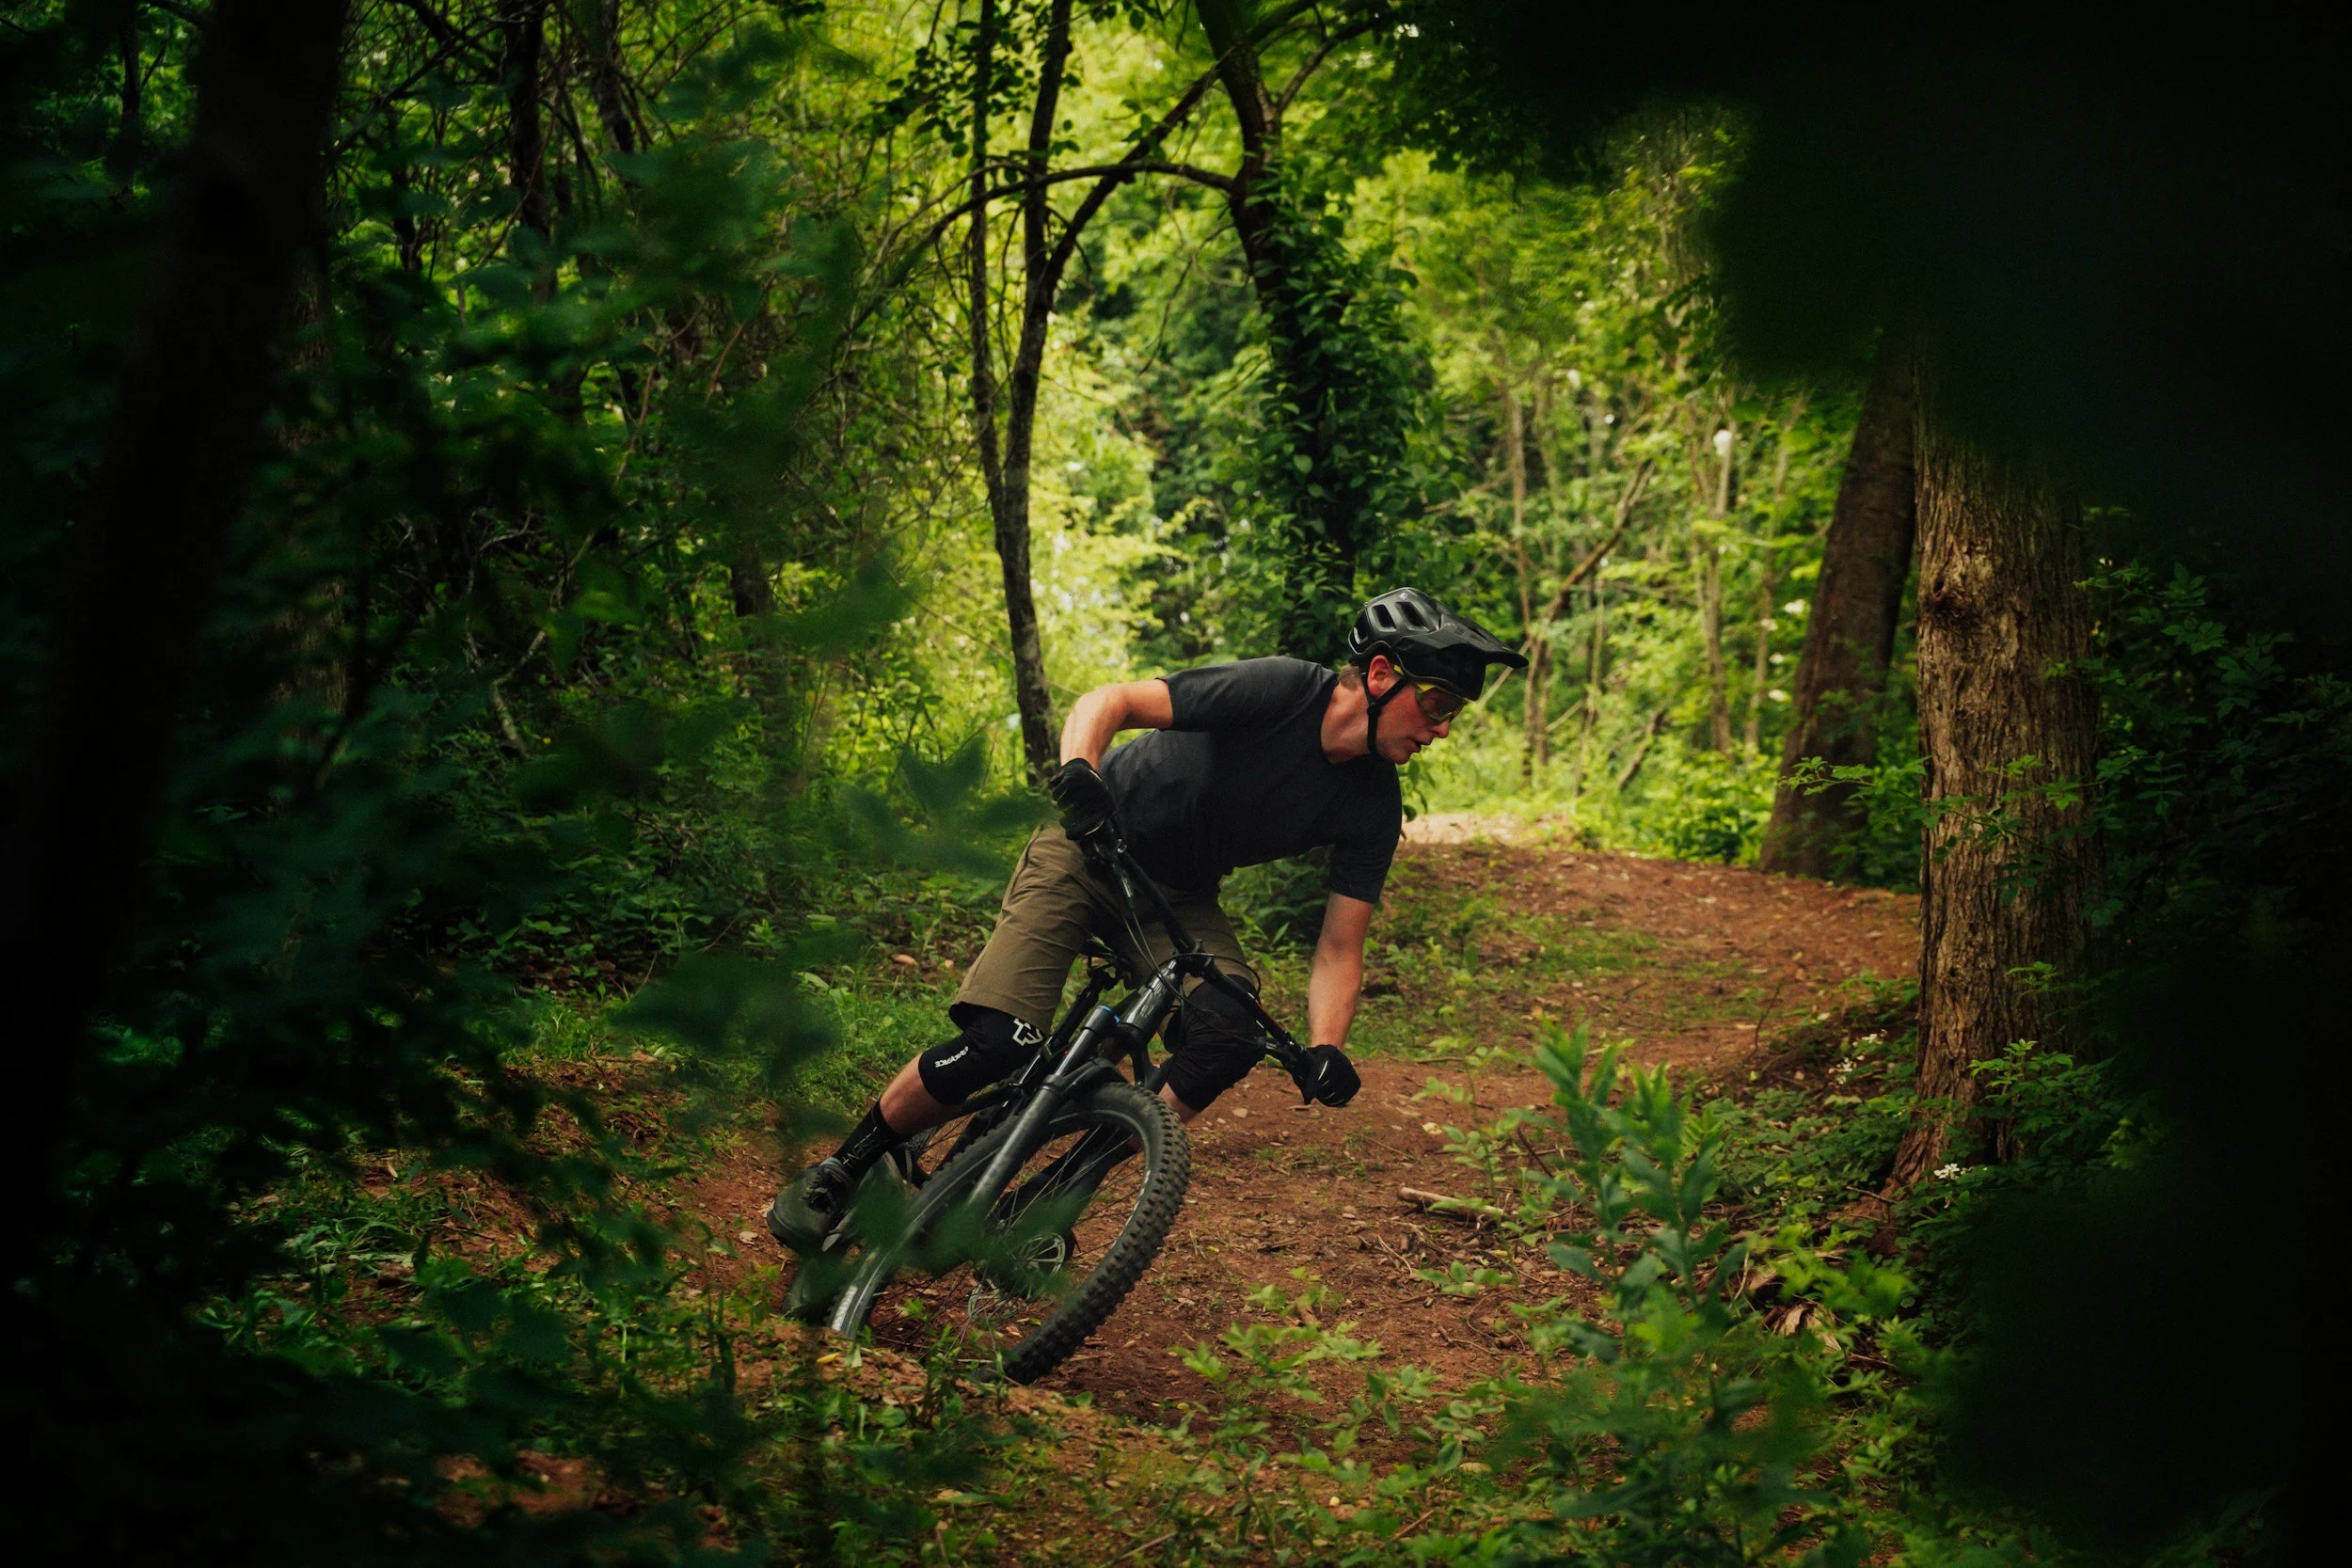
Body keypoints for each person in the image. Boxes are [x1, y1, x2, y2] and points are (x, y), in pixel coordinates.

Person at [768, 587, 1527, 1252]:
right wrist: (1080, 776)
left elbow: (1338, 945)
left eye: (1452, 713)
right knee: (1002, 1040)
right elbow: (1113, 701)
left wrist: (1328, 1045)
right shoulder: (1279, 691)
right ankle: (847, 1165)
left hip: (1177, 894)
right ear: (1382, 675)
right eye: (1436, 704)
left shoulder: (1371, 802)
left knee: (1229, 1031)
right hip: (1087, 848)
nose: (1441, 729)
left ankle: (1049, 1192)